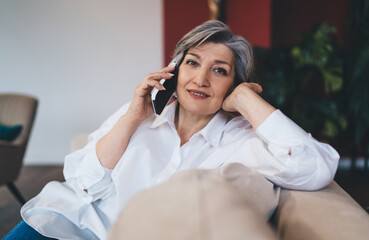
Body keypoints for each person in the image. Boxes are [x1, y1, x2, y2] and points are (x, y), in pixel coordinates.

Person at [4, 20, 339, 240]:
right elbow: (81, 182)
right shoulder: (140, 114)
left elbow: (314, 167)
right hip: (70, 224)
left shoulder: (242, 141)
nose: (201, 79)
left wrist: (246, 100)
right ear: (174, 71)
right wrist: (132, 118)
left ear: (233, 85)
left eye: (219, 71)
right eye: (192, 63)